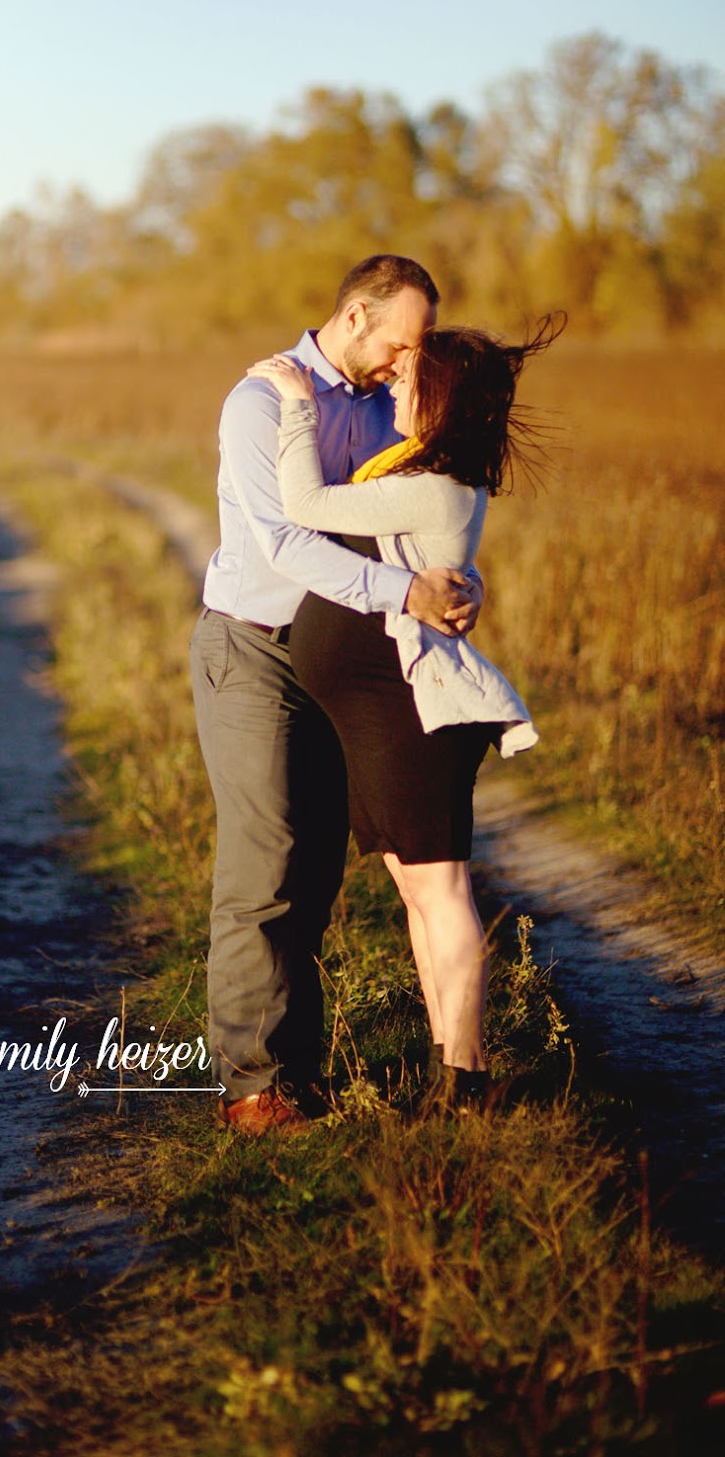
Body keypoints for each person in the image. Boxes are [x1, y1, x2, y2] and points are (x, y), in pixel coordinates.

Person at [190, 255, 483, 1135]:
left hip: (345, 663)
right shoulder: (260, 401)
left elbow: (416, 521)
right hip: (254, 650)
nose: (406, 362)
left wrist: (457, 581)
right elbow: (285, 541)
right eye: (400, 342)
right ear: (355, 316)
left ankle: (299, 1071)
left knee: (316, 870)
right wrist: (406, 593)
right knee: (264, 864)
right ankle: (250, 1088)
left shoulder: (390, 407)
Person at [249, 318, 559, 1107]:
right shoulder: (419, 472)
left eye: (410, 375)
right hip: (381, 711)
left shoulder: (432, 484)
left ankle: (467, 1075)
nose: (394, 382)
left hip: (410, 710)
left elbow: (303, 503)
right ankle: (445, 1066)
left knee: (439, 890)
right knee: (420, 894)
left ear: (441, 395)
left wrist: (296, 404)